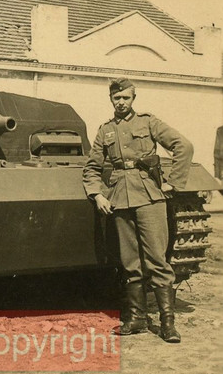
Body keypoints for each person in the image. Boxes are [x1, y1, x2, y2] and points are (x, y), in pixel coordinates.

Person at [82, 78, 193, 343]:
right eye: (116, 98)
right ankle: (137, 318)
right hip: (119, 198)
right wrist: (97, 194)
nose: (121, 103)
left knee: (157, 259)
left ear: (134, 98)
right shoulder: (105, 130)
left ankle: (167, 324)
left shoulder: (148, 122)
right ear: (111, 99)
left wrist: (172, 183)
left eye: (126, 98)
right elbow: (92, 167)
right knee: (130, 262)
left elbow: (183, 146)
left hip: (149, 197)